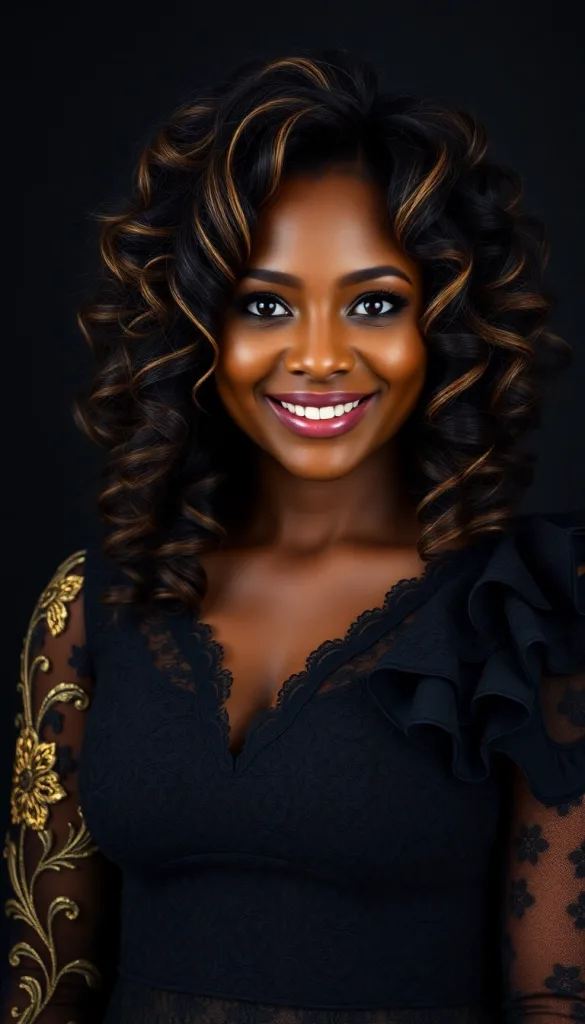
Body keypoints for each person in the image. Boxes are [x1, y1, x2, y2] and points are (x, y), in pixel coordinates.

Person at [2, 47, 584, 1024]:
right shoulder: (91, 601)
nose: (319, 354)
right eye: (265, 303)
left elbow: (555, 999)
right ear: (198, 323)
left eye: (374, 303)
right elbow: (43, 990)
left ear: (444, 322)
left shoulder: (531, 610)